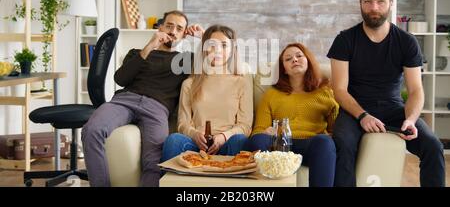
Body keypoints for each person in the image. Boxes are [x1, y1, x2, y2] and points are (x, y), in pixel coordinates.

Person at [327, 0, 445, 187]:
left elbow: (416, 89)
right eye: (368, 1)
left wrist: (410, 119)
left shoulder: (407, 42)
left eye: (380, 1)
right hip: (355, 111)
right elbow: (339, 90)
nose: (374, 7)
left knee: (433, 145)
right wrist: (363, 115)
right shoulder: (344, 40)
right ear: (360, 3)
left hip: (394, 109)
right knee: (342, 145)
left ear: (390, 3)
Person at [81, 10, 204, 187]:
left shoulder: (185, 60)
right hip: (124, 101)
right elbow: (120, 79)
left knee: (153, 161)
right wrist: (150, 46)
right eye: (169, 26)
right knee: (92, 130)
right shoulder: (137, 53)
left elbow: (219, 61)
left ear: (184, 35)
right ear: (160, 27)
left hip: (157, 108)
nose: (173, 31)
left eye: (179, 28)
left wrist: (203, 36)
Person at [245, 43, 339, 187]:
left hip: (311, 145)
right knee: (257, 140)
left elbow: (335, 129)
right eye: (288, 59)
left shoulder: (325, 92)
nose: (294, 60)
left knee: (325, 142)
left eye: (299, 56)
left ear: (308, 60)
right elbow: (258, 130)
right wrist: (266, 132)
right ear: (284, 69)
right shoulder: (272, 94)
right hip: (279, 146)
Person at [161, 25, 253, 161]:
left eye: (223, 45)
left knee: (239, 140)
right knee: (174, 139)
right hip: (197, 144)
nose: (217, 51)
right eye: (211, 45)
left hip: (228, 142)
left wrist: (223, 137)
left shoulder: (242, 82)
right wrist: (194, 134)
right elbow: (182, 123)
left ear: (232, 49)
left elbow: (245, 126)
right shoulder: (190, 84)